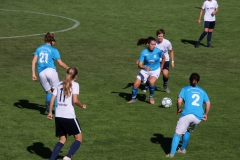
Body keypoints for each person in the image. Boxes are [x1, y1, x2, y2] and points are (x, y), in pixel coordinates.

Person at [166, 73, 210, 158]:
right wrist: (205, 114)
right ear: (198, 82)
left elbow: (179, 102)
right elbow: (208, 103)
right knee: (187, 130)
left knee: (178, 134)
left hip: (187, 115)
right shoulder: (202, 91)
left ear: (189, 80)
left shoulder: (185, 89)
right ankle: (182, 149)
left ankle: (171, 154)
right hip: (198, 117)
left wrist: (178, 109)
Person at [47, 67, 87, 160]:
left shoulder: (59, 84)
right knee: (78, 139)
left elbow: (52, 98)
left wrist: (50, 112)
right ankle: (68, 156)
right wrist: (82, 106)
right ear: (75, 76)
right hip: (68, 116)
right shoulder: (75, 84)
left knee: (62, 139)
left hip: (58, 115)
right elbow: (75, 100)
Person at [31, 32, 69, 112]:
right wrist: (69, 69)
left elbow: (33, 61)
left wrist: (33, 74)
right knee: (57, 90)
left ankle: (49, 108)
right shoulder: (54, 50)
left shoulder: (39, 48)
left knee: (48, 91)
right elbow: (60, 63)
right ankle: (58, 109)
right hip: (50, 71)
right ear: (52, 41)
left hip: (41, 72)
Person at [128, 36, 166, 104]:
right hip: (145, 70)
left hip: (155, 70)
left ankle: (151, 97)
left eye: (154, 44)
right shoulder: (144, 52)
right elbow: (140, 65)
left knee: (151, 82)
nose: (153, 46)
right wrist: (144, 67)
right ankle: (133, 99)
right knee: (135, 84)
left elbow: (164, 57)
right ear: (148, 44)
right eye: (152, 44)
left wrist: (162, 66)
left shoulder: (158, 51)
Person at [142, 29, 174, 93]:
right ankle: (146, 87)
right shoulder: (154, 42)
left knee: (165, 74)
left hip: (165, 60)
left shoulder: (167, 43)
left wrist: (172, 61)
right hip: (155, 60)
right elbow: (148, 49)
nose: (160, 38)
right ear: (157, 36)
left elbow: (171, 51)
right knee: (150, 73)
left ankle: (165, 85)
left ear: (163, 36)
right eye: (159, 36)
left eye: (161, 36)